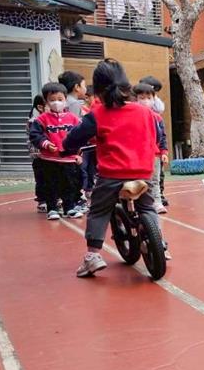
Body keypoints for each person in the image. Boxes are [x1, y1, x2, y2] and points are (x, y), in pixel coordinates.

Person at [63, 59, 159, 278]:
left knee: (99, 210)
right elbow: (152, 137)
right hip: (143, 173)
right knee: (147, 207)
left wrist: (66, 148)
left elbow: (74, 139)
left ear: (98, 91)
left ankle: (93, 256)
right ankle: (158, 241)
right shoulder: (145, 113)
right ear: (126, 85)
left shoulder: (97, 115)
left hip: (112, 176)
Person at [29, 82, 83, 220]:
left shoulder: (73, 119)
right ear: (46, 101)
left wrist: (78, 154)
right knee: (50, 185)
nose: (56, 103)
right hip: (49, 160)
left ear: (65, 99)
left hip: (69, 159)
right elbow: (34, 135)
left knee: (70, 184)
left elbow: (81, 136)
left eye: (60, 99)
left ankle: (69, 207)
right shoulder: (41, 119)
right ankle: (52, 208)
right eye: (52, 100)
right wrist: (46, 144)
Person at [133, 82, 170, 214]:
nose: (146, 101)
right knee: (139, 180)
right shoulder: (133, 116)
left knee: (155, 179)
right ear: (135, 99)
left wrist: (164, 152)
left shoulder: (157, 118)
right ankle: (138, 204)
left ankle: (157, 202)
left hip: (154, 154)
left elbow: (162, 136)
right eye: (142, 98)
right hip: (137, 154)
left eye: (149, 98)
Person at [60, 71, 96, 204]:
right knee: (78, 171)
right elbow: (74, 126)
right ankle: (76, 199)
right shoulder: (74, 104)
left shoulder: (65, 101)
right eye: (84, 85)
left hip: (63, 142)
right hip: (73, 145)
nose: (85, 88)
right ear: (76, 87)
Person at [28, 94, 47, 212]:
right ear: (40, 107)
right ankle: (42, 200)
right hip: (38, 155)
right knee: (41, 177)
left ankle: (52, 199)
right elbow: (35, 138)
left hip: (48, 154)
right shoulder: (34, 121)